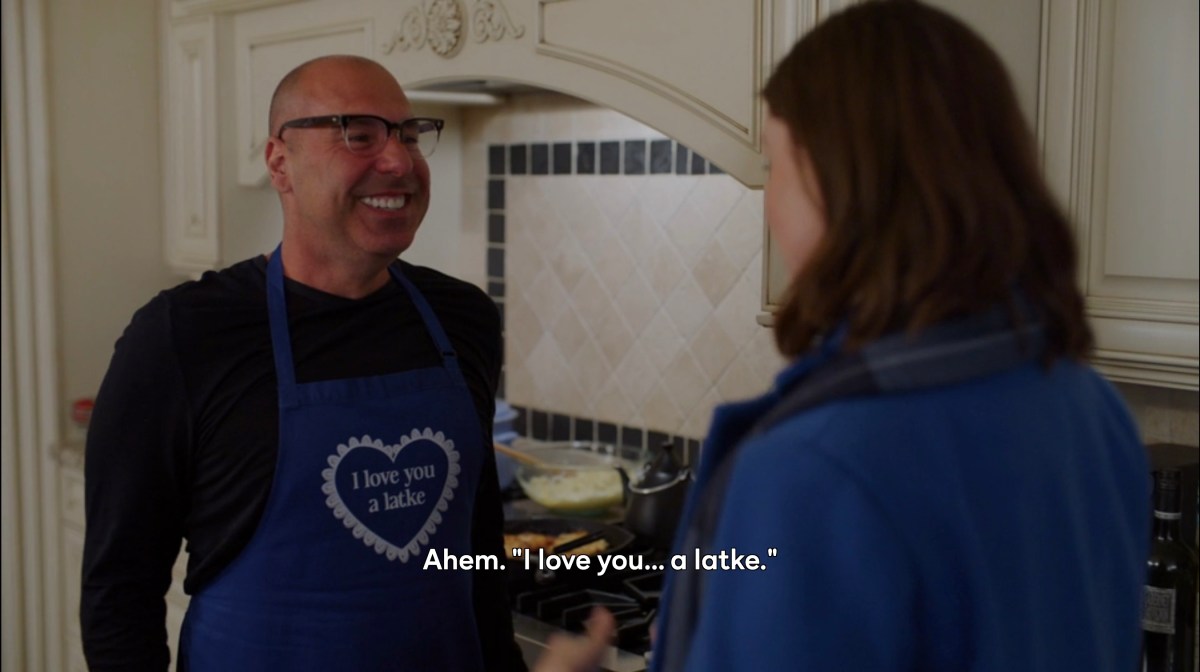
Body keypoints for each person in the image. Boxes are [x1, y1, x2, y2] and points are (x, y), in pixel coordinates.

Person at [538, 2, 1151, 671]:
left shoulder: (812, 471)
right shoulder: (1092, 410)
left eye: (775, 166)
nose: (768, 202)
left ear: (839, 184)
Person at [82, 54, 527, 671]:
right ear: (279, 162)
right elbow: (119, 591)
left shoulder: (464, 318)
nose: (398, 160)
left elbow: (476, 552)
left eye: (408, 133)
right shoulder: (182, 336)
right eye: (359, 133)